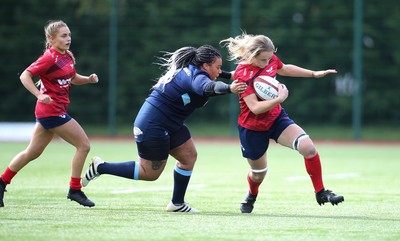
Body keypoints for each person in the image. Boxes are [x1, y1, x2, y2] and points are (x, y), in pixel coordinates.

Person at [81, 45, 247, 212]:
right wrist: (229, 88)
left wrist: (232, 75)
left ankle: (177, 204)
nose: (219, 71)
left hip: (170, 123)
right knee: (150, 173)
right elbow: (206, 87)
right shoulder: (196, 77)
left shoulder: (193, 69)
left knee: (189, 156)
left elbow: (214, 77)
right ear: (205, 65)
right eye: (218, 67)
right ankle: (101, 167)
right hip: (153, 123)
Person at [220, 33, 344, 213]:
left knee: (308, 148)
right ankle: (252, 194)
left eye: (269, 58)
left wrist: (313, 74)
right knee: (258, 173)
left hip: (276, 119)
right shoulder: (242, 74)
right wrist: (279, 99)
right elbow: (254, 108)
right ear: (252, 55)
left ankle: (321, 191)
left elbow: (284, 68)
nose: (267, 62)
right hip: (252, 127)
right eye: (263, 60)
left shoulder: (270, 60)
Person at [0, 20, 99, 208]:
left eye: (69, 35)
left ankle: (1, 182)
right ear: (52, 39)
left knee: (32, 152)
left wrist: (88, 79)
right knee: (84, 145)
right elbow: (25, 75)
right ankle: (74, 189)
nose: (68, 38)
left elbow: (72, 77)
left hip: (53, 111)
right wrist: (39, 94)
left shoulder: (67, 55)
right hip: (51, 111)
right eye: (64, 36)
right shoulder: (49, 58)